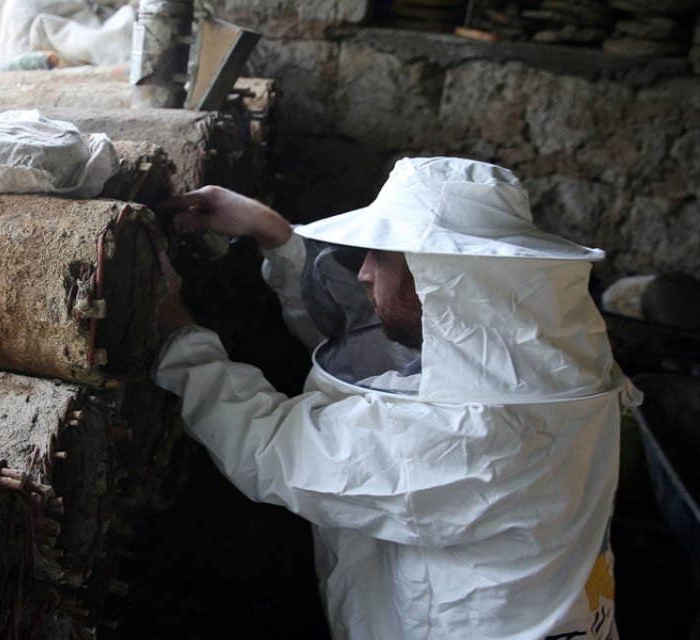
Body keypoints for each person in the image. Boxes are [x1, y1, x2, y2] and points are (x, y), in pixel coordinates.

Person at [154, 157, 641, 639]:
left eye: (382, 255)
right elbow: (383, 349)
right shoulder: (552, 357)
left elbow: (270, 448)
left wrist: (178, 330)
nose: (363, 272)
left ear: (440, 278)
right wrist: (274, 233)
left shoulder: (464, 432)